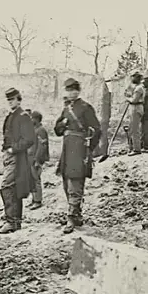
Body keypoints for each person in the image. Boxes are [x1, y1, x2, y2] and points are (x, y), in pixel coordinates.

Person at [54, 78, 102, 234]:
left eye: (73, 89)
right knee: (66, 181)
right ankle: (76, 214)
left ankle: (71, 216)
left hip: (79, 148)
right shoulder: (67, 109)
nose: (71, 92)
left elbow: (97, 129)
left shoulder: (86, 108)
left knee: (75, 181)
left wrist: (89, 149)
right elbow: (57, 130)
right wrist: (63, 123)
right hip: (67, 148)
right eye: (68, 90)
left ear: (78, 90)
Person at [0, 87, 35, 234]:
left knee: (7, 186)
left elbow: (29, 139)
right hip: (9, 156)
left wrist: (13, 149)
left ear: (19, 99)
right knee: (14, 188)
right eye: (9, 100)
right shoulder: (11, 116)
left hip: (17, 156)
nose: (11, 102)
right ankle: (14, 221)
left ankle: (11, 221)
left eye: (13, 99)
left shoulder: (23, 116)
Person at [26, 110, 49, 209]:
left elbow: (42, 146)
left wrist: (38, 160)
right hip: (30, 158)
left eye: (32, 118)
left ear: (36, 119)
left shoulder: (41, 130)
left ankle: (38, 201)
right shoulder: (35, 129)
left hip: (35, 159)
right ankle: (34, 200)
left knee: (36, 180)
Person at [126, 71, 145, 156]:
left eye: (133, 77)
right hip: (134, 107)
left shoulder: (139, 88)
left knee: (135, 129)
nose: (132, 79)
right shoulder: (136, 87)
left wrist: (128, 99)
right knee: (132, 128)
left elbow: (134, 100)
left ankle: (137, 149)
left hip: (136, 107)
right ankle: (132, 147)